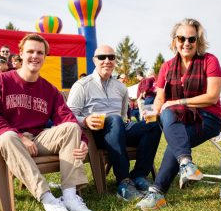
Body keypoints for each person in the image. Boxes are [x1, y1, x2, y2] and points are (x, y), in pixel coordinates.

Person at [0, 33, 95, 211]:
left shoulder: (49, 90)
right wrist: (20, 137)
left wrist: (83, 141)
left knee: (70, 127)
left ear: (45, 57)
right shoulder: (2, 81)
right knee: (8, 137)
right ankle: (49, 200)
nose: (35, 56)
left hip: (39, 140)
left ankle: (69, 195)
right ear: (21, 54)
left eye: (40, 53)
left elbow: (66, 117)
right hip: (13, 140)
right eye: (30, 51)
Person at [135, 18, 221, 211]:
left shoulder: (210, 61)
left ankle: (158, 192)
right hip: (177, 118)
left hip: (207, 119)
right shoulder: (167, 67)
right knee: (169, 119)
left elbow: (212, 96)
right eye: (181, 38)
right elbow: (160, 98)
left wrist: (177, 102)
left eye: (191, 39)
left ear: (198, 41)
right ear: (175, 40)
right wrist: (153, 110)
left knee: (176, 139)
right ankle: (185, 164)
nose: (186, 43)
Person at [67, 44, 162, 201]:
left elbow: (124, 116)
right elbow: (68, 115)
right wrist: (85, 120)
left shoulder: (121, 88)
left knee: (153, 126)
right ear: (94, 60)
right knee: (114, 119)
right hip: (95, 134)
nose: (107, 61)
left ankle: (139, 175)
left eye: (111, 57)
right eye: (102, 57)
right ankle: (123, 182)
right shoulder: (82, 86)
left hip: (118, 129)